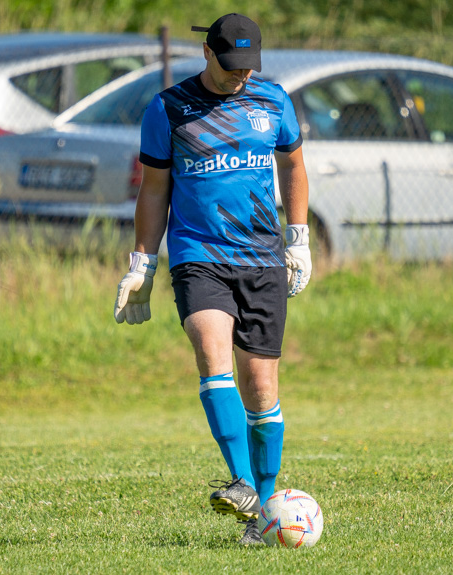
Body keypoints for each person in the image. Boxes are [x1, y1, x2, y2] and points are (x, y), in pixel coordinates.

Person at [113, 13, 311, 546]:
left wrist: (299, 237)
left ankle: (261, 516)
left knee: (263, 387)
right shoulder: (168, 109)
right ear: (207, 54)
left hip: (262, 258)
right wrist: (143, 264)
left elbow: (293, 166)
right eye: (229, 67)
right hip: (198, 255)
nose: (239, 77)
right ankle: (244, 482)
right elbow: (154, 191)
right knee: (210, 349)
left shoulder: (274, 102)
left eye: (248, 68)